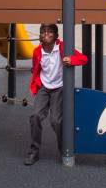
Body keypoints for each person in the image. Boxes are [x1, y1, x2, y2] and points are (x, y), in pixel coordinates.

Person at [25, 23, 87, 166]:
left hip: (59, 88)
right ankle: (34, 151)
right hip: (44, 87)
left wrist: (71, 60)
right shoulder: (37, 51)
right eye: (43, 32)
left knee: (56, 121)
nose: (46, 34)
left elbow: (84, 59)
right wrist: (35, 86)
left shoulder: (62, 47)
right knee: (35, 117)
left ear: (55, 36)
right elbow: (36, 69)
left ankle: (63, 148)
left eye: (49, 32)